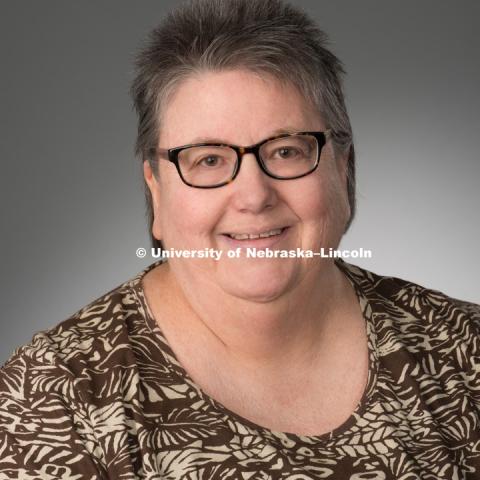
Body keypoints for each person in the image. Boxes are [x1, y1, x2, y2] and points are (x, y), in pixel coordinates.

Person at [1, 0, 479, 478]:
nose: (253, 195)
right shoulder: (55, 396)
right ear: (156, 190)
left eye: (287, 150)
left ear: (342, 168)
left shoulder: (465, 349)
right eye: (208, 159)